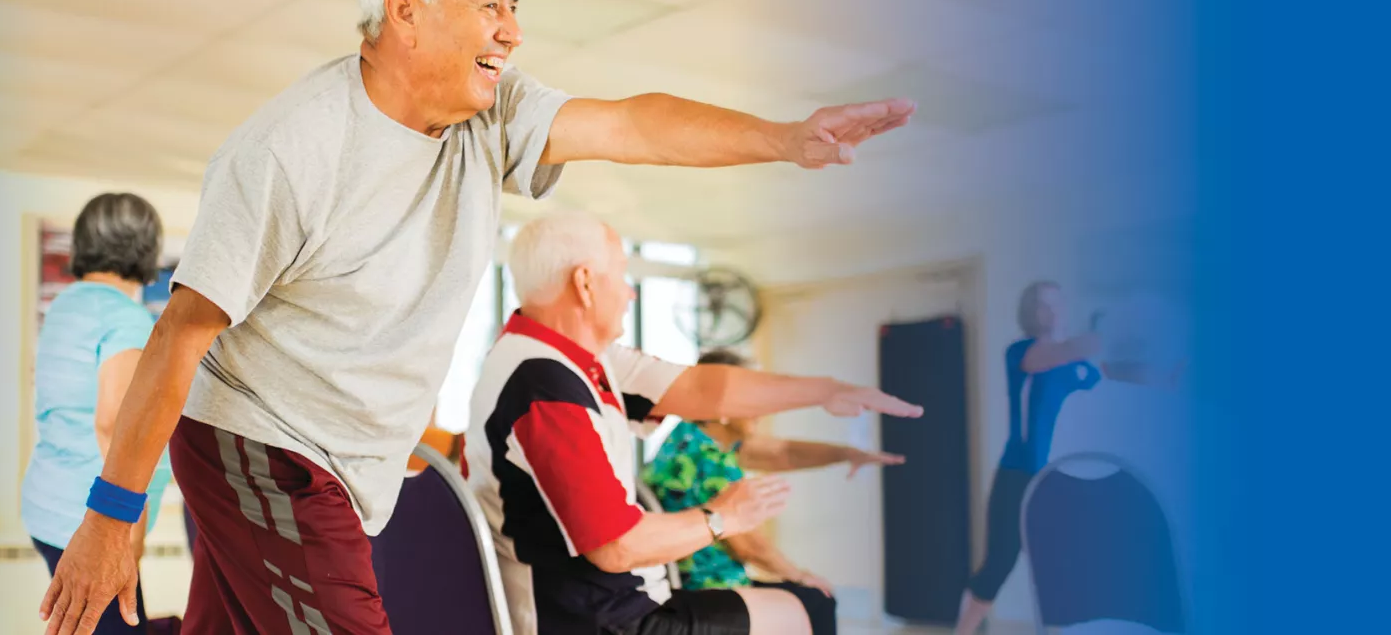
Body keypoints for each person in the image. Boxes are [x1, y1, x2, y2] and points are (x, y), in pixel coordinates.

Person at [39, 0, 917, 631]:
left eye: (515, 6)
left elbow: (629, 122)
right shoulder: (290, 151)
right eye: (489, 4)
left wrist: (785, 137)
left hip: (341, 465)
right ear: (405, 12)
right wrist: (112, 518)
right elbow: (179, 335)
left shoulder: (490, 116)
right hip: (264, 446)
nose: (513, 29)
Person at [467, 212, 920, 635]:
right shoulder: (544, 386)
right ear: (584, 283)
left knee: (800, 603)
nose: (631, 293)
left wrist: (827, 391)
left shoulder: (568, 358)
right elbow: (615, 547)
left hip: (615, 599)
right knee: (813, 608)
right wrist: (724, 516)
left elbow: (709, 391)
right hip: (599, 619)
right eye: (622, 275)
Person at [640, 349, 907, 635]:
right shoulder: (708, 459)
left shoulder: (692, 438)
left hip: (692, 578)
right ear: (726, 405)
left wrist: (848, 454)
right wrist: (800, 576)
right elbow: (748, 545)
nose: (763, 408)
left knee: (805, 597)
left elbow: (785, 452)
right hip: (704, 586)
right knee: (816, 600)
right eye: (753, 396)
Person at [22, 194, 176, 634]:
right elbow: (116, 424)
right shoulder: (124, 319)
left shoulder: (67, 305)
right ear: (145, 248)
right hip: (88, 520)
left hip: (47, 504)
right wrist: (129, 535)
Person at [954, 281, 1103, 634]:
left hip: (1063, 480)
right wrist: (1097, 338)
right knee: (999, 563)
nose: (1050, 311)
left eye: (1055, 304)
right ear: (1029, 313)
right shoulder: (1021, 353)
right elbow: (1045, 359)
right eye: (1041, 305)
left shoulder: (1084, 368)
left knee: (1061, 568)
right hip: (1017, 476)